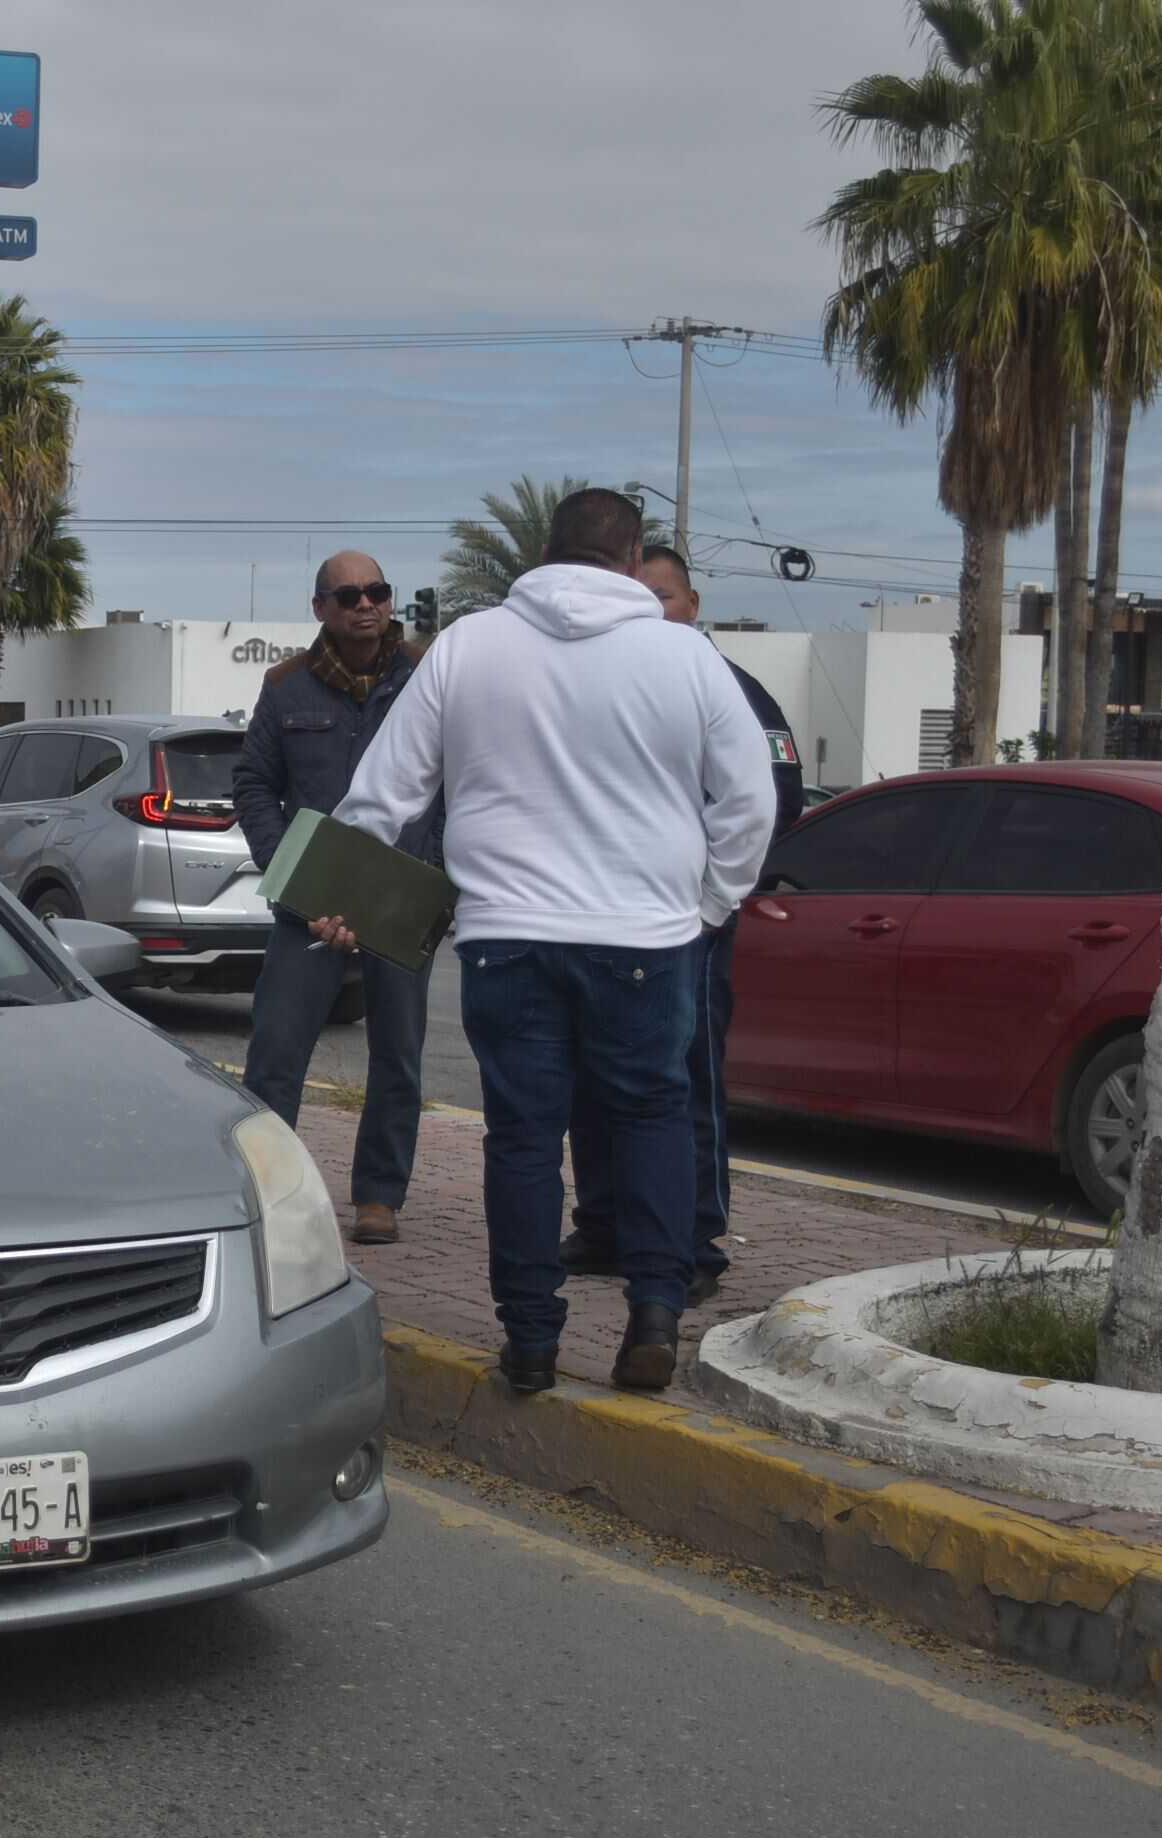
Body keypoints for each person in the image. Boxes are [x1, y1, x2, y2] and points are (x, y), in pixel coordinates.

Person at [308, 489, 773, 1394]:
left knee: (522, 1139)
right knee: (651, 1118)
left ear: (546, 553)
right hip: (647, 937)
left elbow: (383, 790)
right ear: (632, 558)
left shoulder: (468, 649)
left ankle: (529, 1339)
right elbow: (749, 803)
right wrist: (707, 904)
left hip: (506, 938)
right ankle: (652, 1314)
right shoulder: (686, 657)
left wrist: (339, 895)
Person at [563, 545, 808, 1306]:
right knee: (592, 1077)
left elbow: (777, 801)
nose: (650, 611)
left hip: (691, 924)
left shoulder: (732, 688)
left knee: (685, 1077)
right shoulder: (608, 682)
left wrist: (708, 896)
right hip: (601, 918)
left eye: (663, 597)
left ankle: (696, 1238)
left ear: (694, 605)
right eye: (635, 597)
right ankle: (605, 1221)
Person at [229, 551, 440, 1247]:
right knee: (277, 1052)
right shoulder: (285, 688)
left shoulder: (427, 678)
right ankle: (266, 1194)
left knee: (399, 1054)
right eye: (348, 595)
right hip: (310, 902)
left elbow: (460, 783)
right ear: (320, 607)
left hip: (400, 893)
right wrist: (292, 877)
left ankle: (380, 1197)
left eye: (377, 591)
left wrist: (434, 873)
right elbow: (254, 784)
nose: (365, 605)